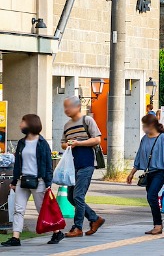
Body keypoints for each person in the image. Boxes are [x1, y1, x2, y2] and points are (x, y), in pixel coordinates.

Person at [3, 114, 63, 247]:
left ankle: (57, 232)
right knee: (18, 209)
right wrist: (14, 181)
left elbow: (48, 165)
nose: (20, 125)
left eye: (22, 122)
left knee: (42, 209)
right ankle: (15, 237)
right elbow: (18, 164)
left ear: (30, 124)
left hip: (39, 181)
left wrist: (48, 184)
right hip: (22, 180)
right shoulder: (21, 142)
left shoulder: (42, 143)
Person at [61, 95, 106, 238]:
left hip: (86, 163)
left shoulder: (87, 120)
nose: (66, 109)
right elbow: (62, 143)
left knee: (78, 196)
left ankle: (77, 227)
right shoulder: (67, 125)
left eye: (69, 106)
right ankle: (94, 218)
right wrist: (68, 144)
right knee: (71, 197)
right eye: (65, 107)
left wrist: (78, 143)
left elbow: (97, 139)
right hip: (72, 165)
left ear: (77, 107)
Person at [126, 114, 164, 235]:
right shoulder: (145, 138)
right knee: (151, 196)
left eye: (145, 125)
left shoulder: (163, 138)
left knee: (152, 196)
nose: (143, 128)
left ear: (151, 125)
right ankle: (158, 224)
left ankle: (158, 225)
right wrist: (132, 173)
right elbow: (139, 156)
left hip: (160, 172)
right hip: (149, 172)